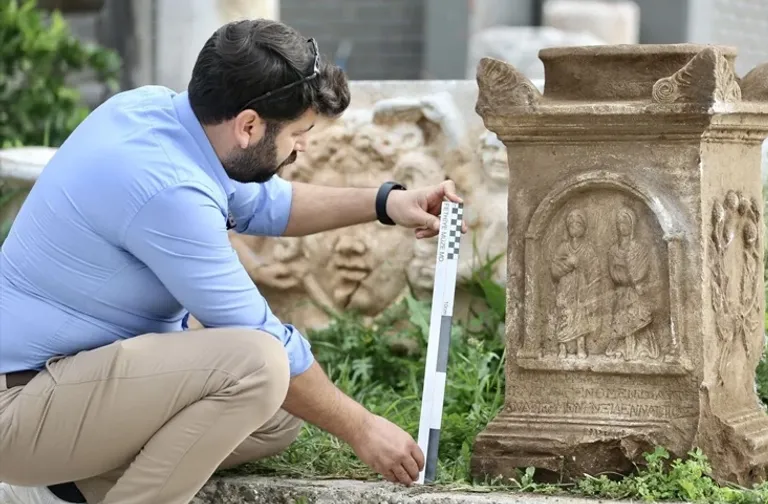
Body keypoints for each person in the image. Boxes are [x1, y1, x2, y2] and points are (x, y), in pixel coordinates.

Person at [0, 18, 465, 504]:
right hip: (19, 407)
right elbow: (262, 337)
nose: (303, 147)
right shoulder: (168, 190)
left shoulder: (154, 112)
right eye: (299, 133)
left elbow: (264, 204)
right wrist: (364, 429)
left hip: (68, 384)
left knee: (280, 413)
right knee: (261, 366)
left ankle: (62, 490)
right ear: (248, 125)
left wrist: (385, 203)